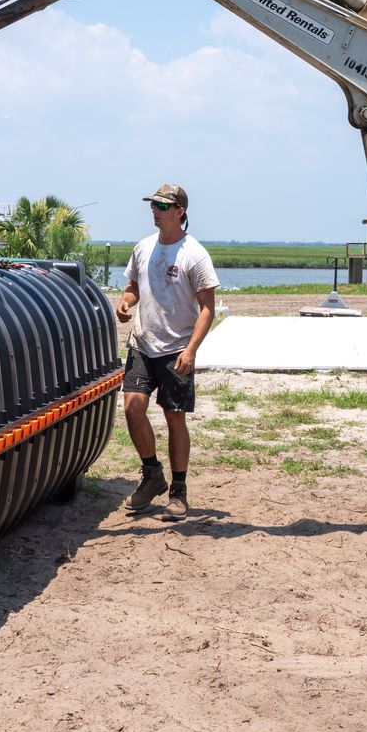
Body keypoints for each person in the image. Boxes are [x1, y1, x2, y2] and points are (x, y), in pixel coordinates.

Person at [116, 183, 219, 520]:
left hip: (177, 349)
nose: (155, 210)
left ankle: (178, 491)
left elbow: (207, 309)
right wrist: (126, 302)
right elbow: (133, 286)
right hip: (142, 345)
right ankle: (152, 475)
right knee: (133, 408)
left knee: (175, 419)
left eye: (161, 205)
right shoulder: (143, 248)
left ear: (180, 211)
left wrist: (191, 350)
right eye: (153, 204)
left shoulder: (195, 254)